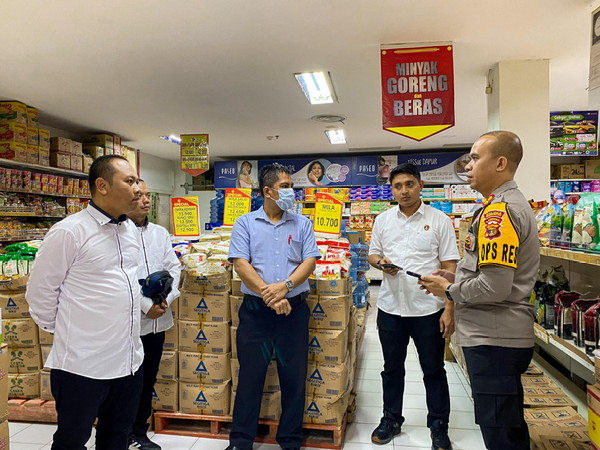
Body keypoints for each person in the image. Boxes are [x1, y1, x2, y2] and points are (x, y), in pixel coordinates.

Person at [419, 131, 540, 450]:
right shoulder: (502, 206)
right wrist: (455, 277)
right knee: (507, 426)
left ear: (500, 163)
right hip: (498, 336)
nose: (467, 165)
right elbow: (491, 273)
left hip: (494, 340)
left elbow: (495, 287)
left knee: (500, 435)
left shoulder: (499, 213)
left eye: (474, 158)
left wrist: (449, 289)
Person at [26, 155, 143, 450]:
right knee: (72, 440)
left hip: (128, 361)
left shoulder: (128, 229)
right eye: (129, 181)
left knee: (117, 436)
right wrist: (71, 331)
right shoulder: (70, 231)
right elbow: (40, 293)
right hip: (82, 366)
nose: (138, 189)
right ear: (102, 186)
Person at [226, 163, 321, 450]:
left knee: (293, 379)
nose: (292, 191)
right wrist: (271, 296)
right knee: (250, 378)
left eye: (291, 186)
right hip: (256, 314)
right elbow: (241, 264)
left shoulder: (302, 223)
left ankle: (290, 439)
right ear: (267, 191)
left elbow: (309, 262)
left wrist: (286, 287)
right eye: (285, 187)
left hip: (294, 313)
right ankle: (241, 440)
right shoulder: (245, 223)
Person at [368, 163, 458, 449]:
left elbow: (450, 268)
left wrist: (449, 308)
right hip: (390, 308)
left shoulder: (440, 220)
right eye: (397, 186)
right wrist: (381, 263)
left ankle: (439, 426)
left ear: (420, 186)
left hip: (427, 309)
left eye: (409, 184)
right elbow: (373, 254)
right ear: (392, 190)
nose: (404, 191)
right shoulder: (383, 220)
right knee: (391, 368)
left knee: (433, 370)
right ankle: (391, 419)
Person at [127, 180, 181, 450]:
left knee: (148, 378)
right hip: (129, 323)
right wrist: (145, 305)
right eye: (139, 195)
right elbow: (120, 277)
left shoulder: (160, 233)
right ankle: (121, 432)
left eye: (148, 195)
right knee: (127, 381)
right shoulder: (117, 234)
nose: (146, 200)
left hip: (159, 320)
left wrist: (166, 300)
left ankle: (139, 432)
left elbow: (174, 267)